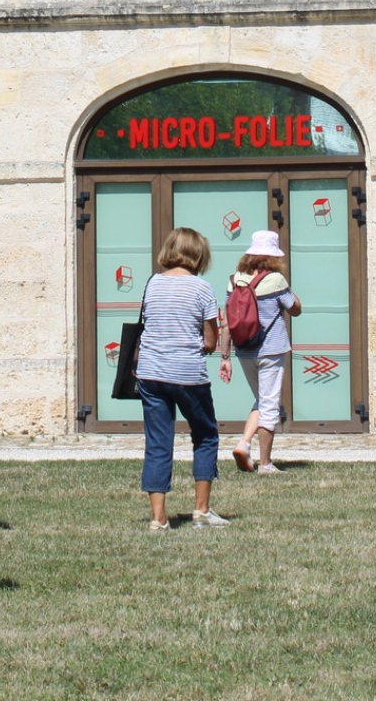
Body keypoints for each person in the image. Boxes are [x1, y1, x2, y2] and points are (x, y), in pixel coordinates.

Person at [135, 226, 227, 530]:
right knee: (205, 434)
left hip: (150, 371)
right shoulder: (202, 288)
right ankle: (201, 510)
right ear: (198, 254)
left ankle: (158, 518)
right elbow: (210, 342)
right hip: (187, 373)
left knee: (158, 442)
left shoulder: (152, 284)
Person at [225, 231, 300, 475]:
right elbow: (295, 309)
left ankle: (244, 443)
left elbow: (227, 320)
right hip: (271, 350)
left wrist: (224, 356)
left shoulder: (235, 279)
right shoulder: (276, 280)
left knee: (261, 398)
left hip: (244, 350)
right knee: (269, 405)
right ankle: (265, 464)